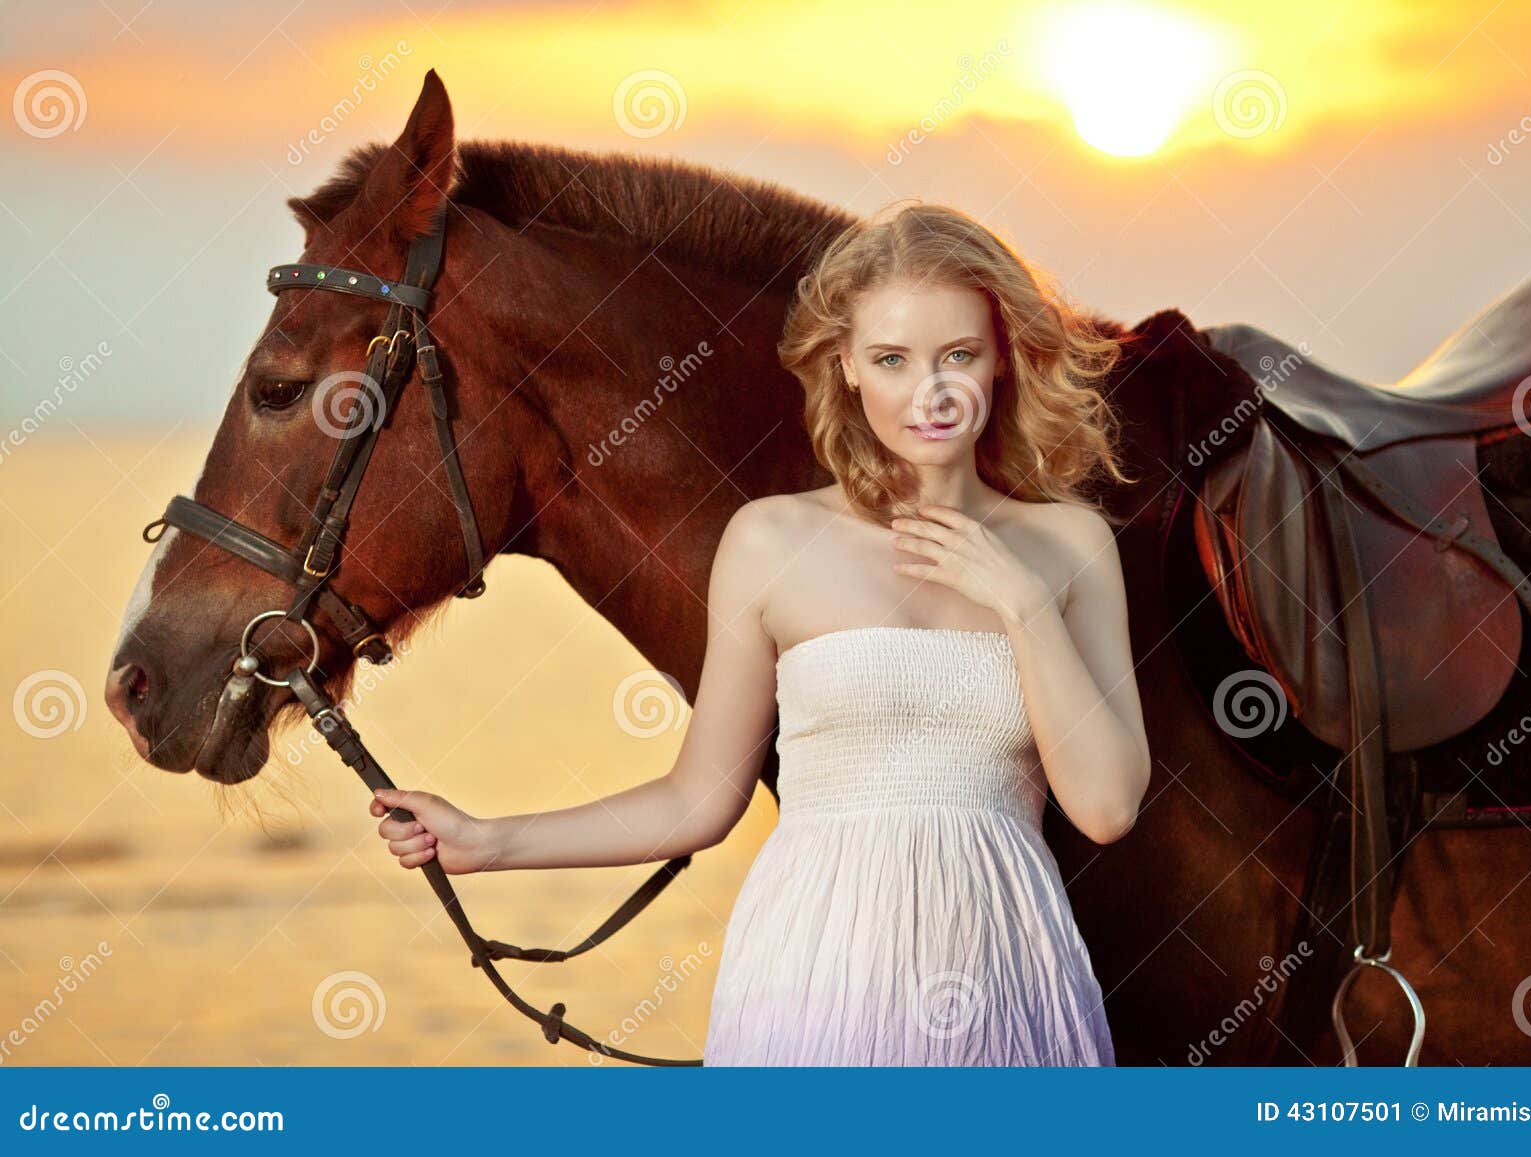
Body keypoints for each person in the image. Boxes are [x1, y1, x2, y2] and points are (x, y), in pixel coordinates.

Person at [370, 201, 1150, 1066]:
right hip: (813, 965)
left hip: (1008, 969)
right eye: (892, 359)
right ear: (846, 364)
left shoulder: (1071, 546)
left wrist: (1023, 604)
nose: (929, 392)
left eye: (957, 355)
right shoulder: (770, 541)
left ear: (1002, 356)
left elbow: (1108, 807)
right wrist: (489, 839)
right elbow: (700, 799)